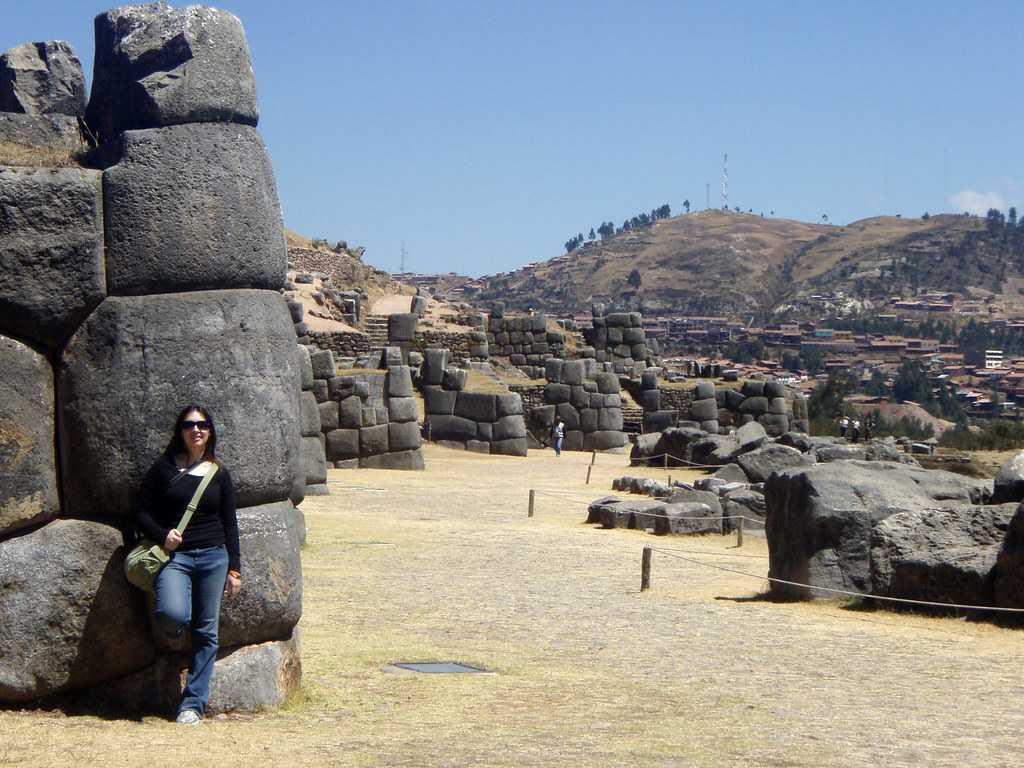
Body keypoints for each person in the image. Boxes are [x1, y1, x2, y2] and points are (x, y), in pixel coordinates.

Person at [133, 405, 241, 724]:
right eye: (189, 425)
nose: (196, 430)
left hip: (213, 556)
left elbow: (230, 522)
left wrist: (235, 569)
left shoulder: (219, 473)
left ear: (210, 431)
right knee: (173, 614)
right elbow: (139, 510)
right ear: (180, 432)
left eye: (203, 425)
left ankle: (193, 704)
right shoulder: (164, 469)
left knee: (206, 632)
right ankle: (180, 620)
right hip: (175, 558)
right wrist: (161, 534)